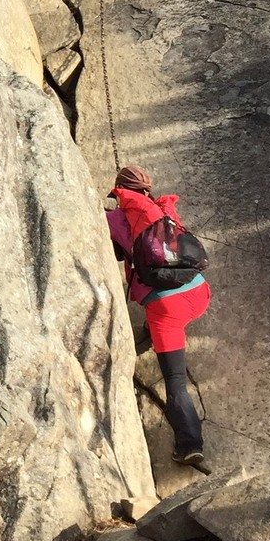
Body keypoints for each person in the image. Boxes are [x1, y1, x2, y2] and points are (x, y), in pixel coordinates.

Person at [106, 164, 212, 473]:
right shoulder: (161, 211)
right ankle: (149, 333)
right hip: (199, 292)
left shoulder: (114, 218)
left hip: (168, 309)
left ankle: (190, 445)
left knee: (176, 381)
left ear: (120, 191)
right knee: (163, 323)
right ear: (147, 190)